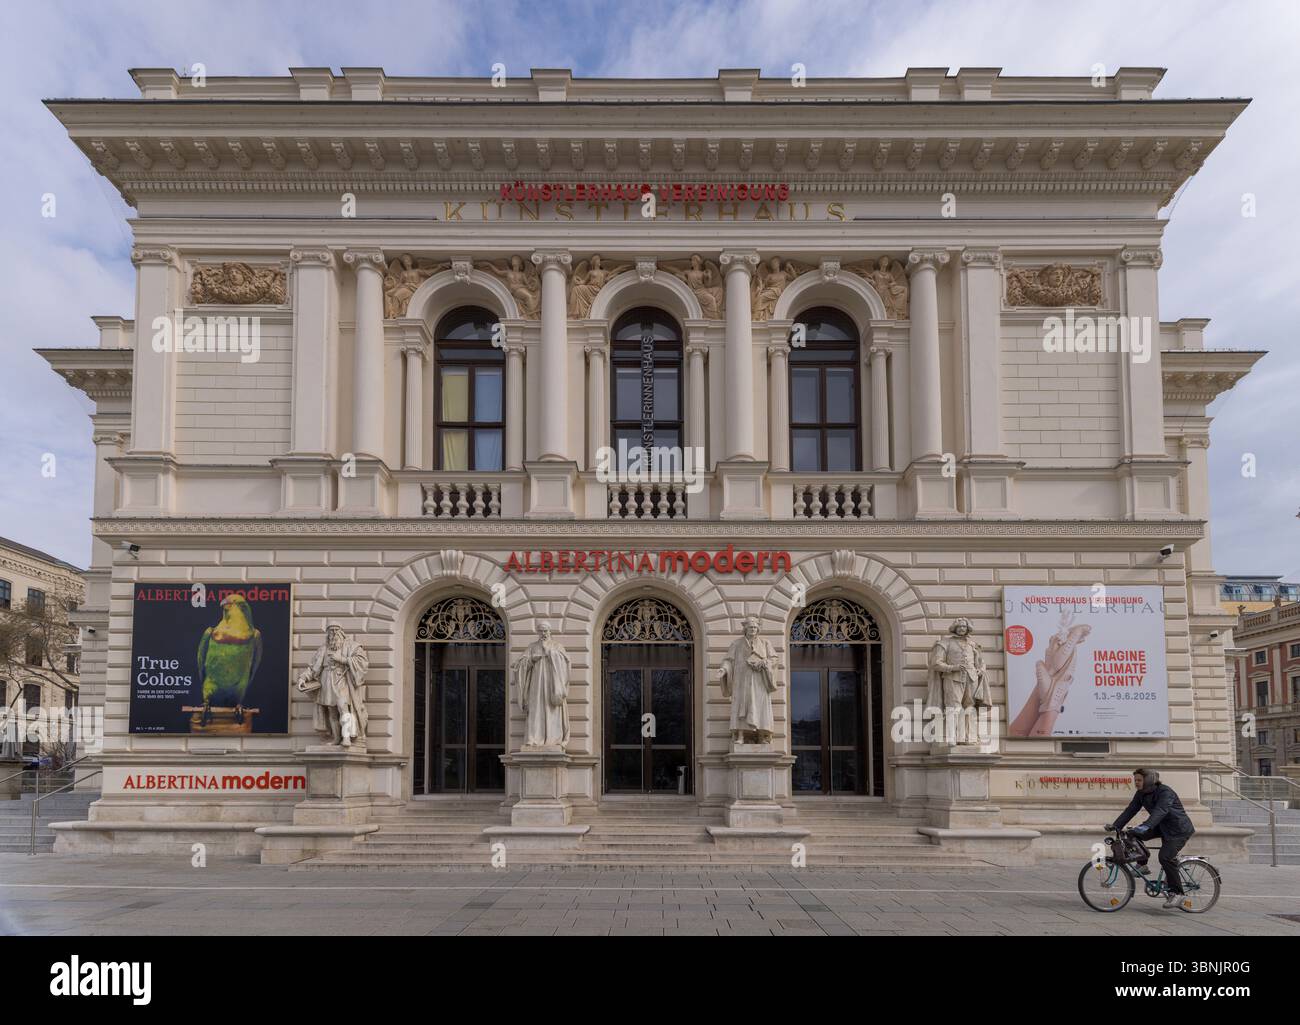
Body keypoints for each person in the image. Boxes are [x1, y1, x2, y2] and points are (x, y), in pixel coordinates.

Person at [1107, 768, 1197, 909]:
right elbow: (1131, 810)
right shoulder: (1141, 794)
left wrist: (1146, 826)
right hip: (1161, 827)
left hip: (1178, 830)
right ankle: (1142, 865)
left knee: (1165, 857)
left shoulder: (1165, 792)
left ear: (1148, 780)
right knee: (1132, 834)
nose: (1136, 783)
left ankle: (1177, 893)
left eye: (1139, 780)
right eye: (1135, 780)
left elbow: (1160, 811)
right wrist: (1116, 825)